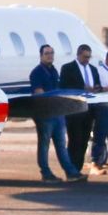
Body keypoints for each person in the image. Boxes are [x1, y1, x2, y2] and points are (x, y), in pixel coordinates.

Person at [29, 44, 83, 183]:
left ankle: (71, 172)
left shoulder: (54, 71)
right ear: (41, 55)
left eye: (51, 53)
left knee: (61, 144)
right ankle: (46, 173)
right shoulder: (37, 72)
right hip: (45, 113)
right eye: (47, 53)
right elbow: (38, 92)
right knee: (44, 144)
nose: (50, 55)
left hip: (57, 112)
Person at [59, 44, 102, 174]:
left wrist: (96, 88)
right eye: (84, 57)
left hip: (89, 110)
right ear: (78, 55)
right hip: (74, 110)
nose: (87, 59)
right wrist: (82, 88)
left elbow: (97, 85)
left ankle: (77, 167)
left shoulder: (93, 69)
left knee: (84, 140)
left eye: (89, 57)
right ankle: (71, 169)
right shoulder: (68, 68)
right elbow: (64, 86)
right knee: (74, 140)